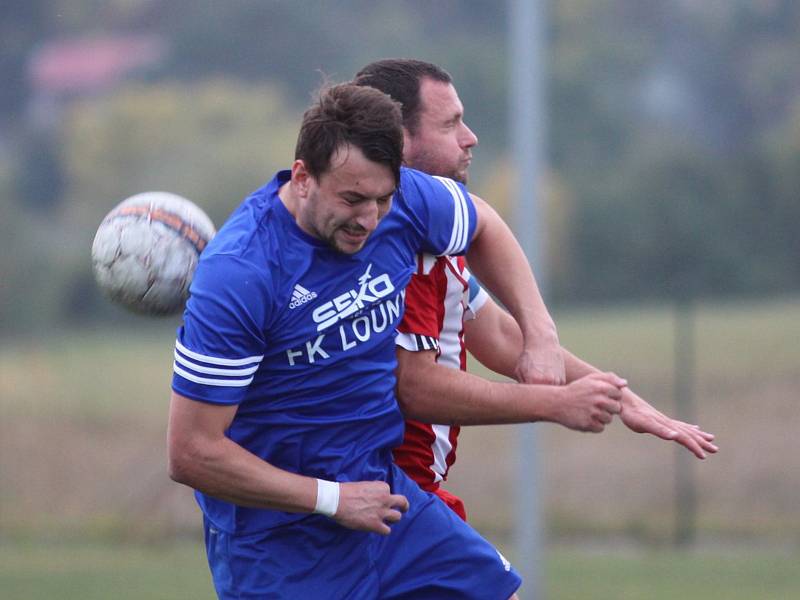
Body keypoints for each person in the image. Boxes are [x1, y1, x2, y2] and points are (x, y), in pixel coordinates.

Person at [167, 82, 626, 599]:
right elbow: (192, 452)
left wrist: (540, 333)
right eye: (352, 199)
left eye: (382, 199)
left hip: (387, 506)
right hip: (280, 546)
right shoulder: (241, 274)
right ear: (302, 178)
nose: (368, 219)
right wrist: (331, 499)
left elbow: (483, 226)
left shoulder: (404, 201)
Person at [353, 58, 718, 520]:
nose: (471, 138)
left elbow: (500, 336)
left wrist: (619, 398)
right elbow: (416, 387)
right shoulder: (390, 233)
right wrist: (555, 402)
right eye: (451, 125)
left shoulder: (429, 235)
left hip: (397, 496)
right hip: (386, 492)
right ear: (400, 140)